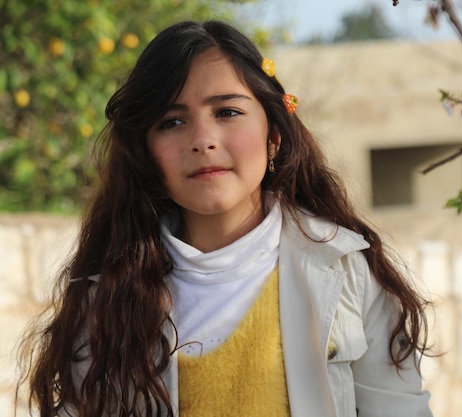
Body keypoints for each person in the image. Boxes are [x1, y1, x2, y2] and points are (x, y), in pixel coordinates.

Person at [20, 20, 434, 417]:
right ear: (147, 155)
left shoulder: (346, 271)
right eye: (172, 122)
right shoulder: (106, 297)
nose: (202, 140)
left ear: (274, 137)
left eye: (227, 112)